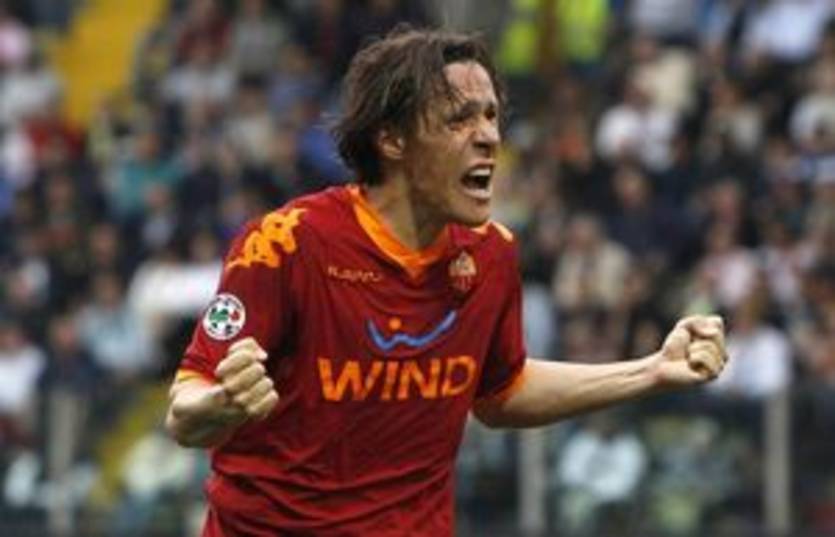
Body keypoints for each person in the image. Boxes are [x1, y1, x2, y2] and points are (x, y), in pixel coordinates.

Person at [165, 27, 728, 536]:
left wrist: (651, 370)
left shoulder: (491, 254)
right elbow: (185, 412)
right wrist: (222, 404)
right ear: (392, 140)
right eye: (460, 120)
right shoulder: (285, 244)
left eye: (491, 116)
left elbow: (501, 391)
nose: (488, 137)